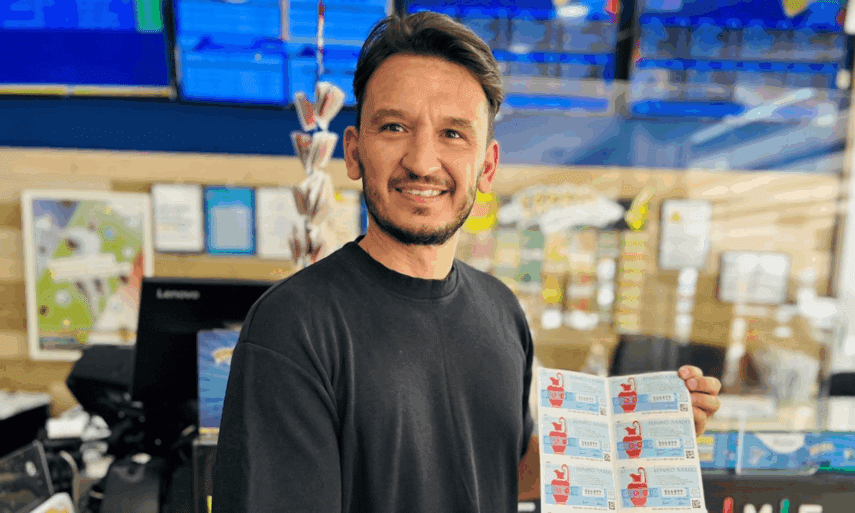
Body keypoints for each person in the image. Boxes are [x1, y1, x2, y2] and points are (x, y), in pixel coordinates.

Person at [212, 11, 722, 512]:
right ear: (353, 152)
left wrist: (642, 434)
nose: (422, 161)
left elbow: (503, 476)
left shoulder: (501, 310)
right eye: (394, 126)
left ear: (487, 166)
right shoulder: (293, 326)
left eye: (453, 134)